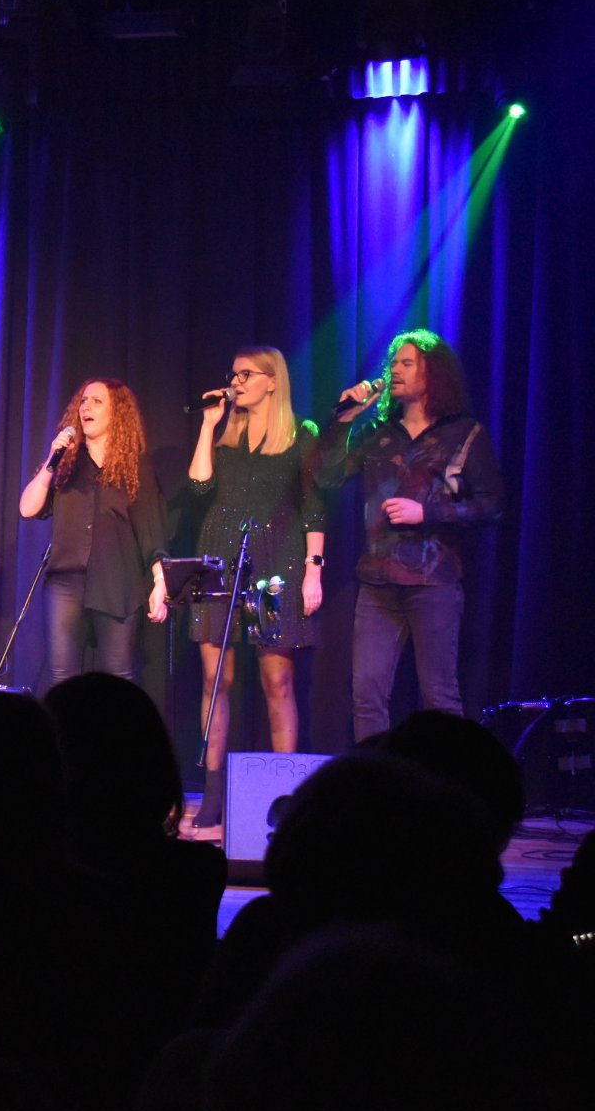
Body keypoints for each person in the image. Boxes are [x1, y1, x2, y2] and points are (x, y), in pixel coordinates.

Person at [319, 329, 503, 743]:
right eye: (392, 363)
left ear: (432, 372)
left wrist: (428, 512)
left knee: (439, 697)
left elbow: (492, 505)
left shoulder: (464, 433)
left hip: (433, 583)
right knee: (366, 697)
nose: (394, 371)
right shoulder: (378, 432)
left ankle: (447, 779)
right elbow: (328, 477)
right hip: (377, 584)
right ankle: (374, 777)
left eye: (406, 363)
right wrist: (344, 421)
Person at [174, 346, 326, 841]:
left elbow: (313, 506)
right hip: (221, 559)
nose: (236, 382)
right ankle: (213, 794)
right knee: (215, 677)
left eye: (246, 374)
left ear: (272, 381)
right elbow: (199, 488)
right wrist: (208, 425)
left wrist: (313, 570)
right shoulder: (226, 435)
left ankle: (285, 795)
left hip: (278, 563)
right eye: (233, 374)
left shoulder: (300, 436)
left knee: (276, 680)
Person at [18, 377, 168, 687]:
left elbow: (151, 530)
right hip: (66, 582)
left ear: (117, 413)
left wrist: (159, 582)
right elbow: (27, 508)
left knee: (117, 678)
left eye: (97, 401)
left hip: (117, 583)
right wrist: (51, 462)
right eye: (83, 401)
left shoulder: (135, 466)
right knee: (62, 678)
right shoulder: (66, 463)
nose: (86, 407)